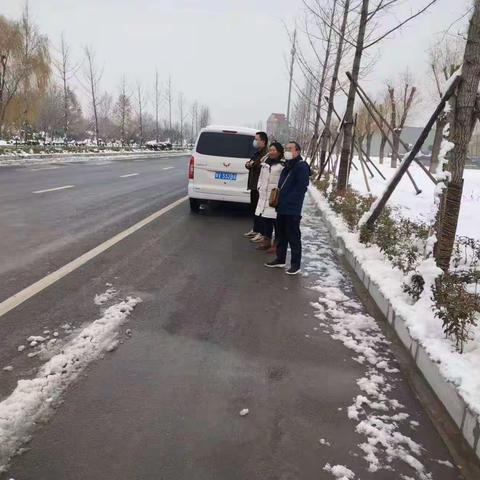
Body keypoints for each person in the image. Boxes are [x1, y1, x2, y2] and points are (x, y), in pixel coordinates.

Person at [265, 141, 310, 275]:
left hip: (292, 209)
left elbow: (301, 188)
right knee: (280, 234)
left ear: (298, 151)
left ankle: (295, 265)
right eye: (286, 148)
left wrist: (288, 201)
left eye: (290, 148)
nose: (287, 151)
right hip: (282, 207)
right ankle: (280, 259)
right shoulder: (288, 165)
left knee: (293, 236)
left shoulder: (301, 167)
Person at [254, 141, 284, 251]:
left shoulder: (282, 165)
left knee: (275, 220)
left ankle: (276, 244)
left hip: (274, 195)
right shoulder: (265, 163)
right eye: (270, 150)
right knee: (265, 218)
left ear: (279, 152)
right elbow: (261, 177)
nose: (271, 152)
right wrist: (259, 187)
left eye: (274, 150)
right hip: (263, 194)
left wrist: (279, 191)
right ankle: (266, 240)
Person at [244, 131, 268, 240]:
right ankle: (256, 229)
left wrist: (254, 165)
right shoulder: (257, 152)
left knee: (261, 210)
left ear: (263, 141)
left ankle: (262, 232)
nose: (255, 141)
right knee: (255, 208)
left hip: (261, 186)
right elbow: (250, 163)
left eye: (257, 139)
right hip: (254, 185)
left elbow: (263, 167)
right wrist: (248, 164)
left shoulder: (266, 154)